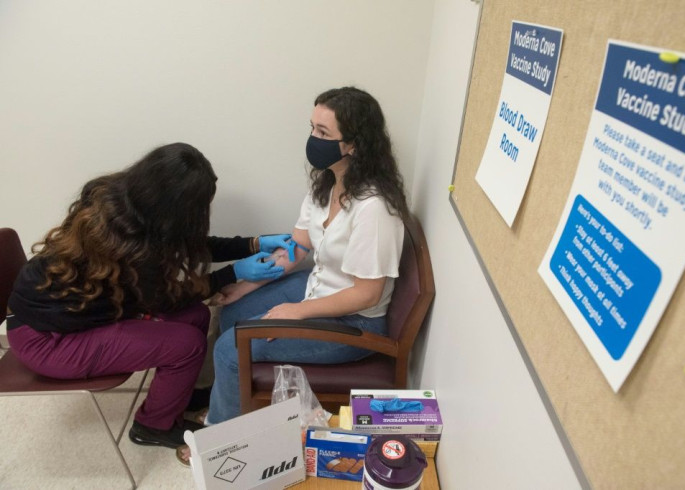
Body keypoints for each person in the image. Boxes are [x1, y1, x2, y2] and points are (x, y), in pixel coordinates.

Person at [5, 142, 292, 449]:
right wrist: (233, 273)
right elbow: (164, 298)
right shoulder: (128, 242)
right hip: (47, 339)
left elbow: (185, 243)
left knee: (196, 316)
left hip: (81, 312)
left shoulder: (126, 200)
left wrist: (253, 243)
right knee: (186, 345)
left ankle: (177, 395)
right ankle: (152, 427)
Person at [206, 86, 410, 426]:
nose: (313, 138)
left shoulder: (375, 209)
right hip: (316, 288)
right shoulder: (328, 184)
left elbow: (367, 293)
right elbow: (297, 247)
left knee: (231, 348)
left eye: (323, 132)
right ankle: (241, 403)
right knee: (232, 314)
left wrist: (297, 312)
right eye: (312, 127)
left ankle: (220, 435)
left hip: (354, 322)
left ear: (354, 144)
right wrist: (246, 285)